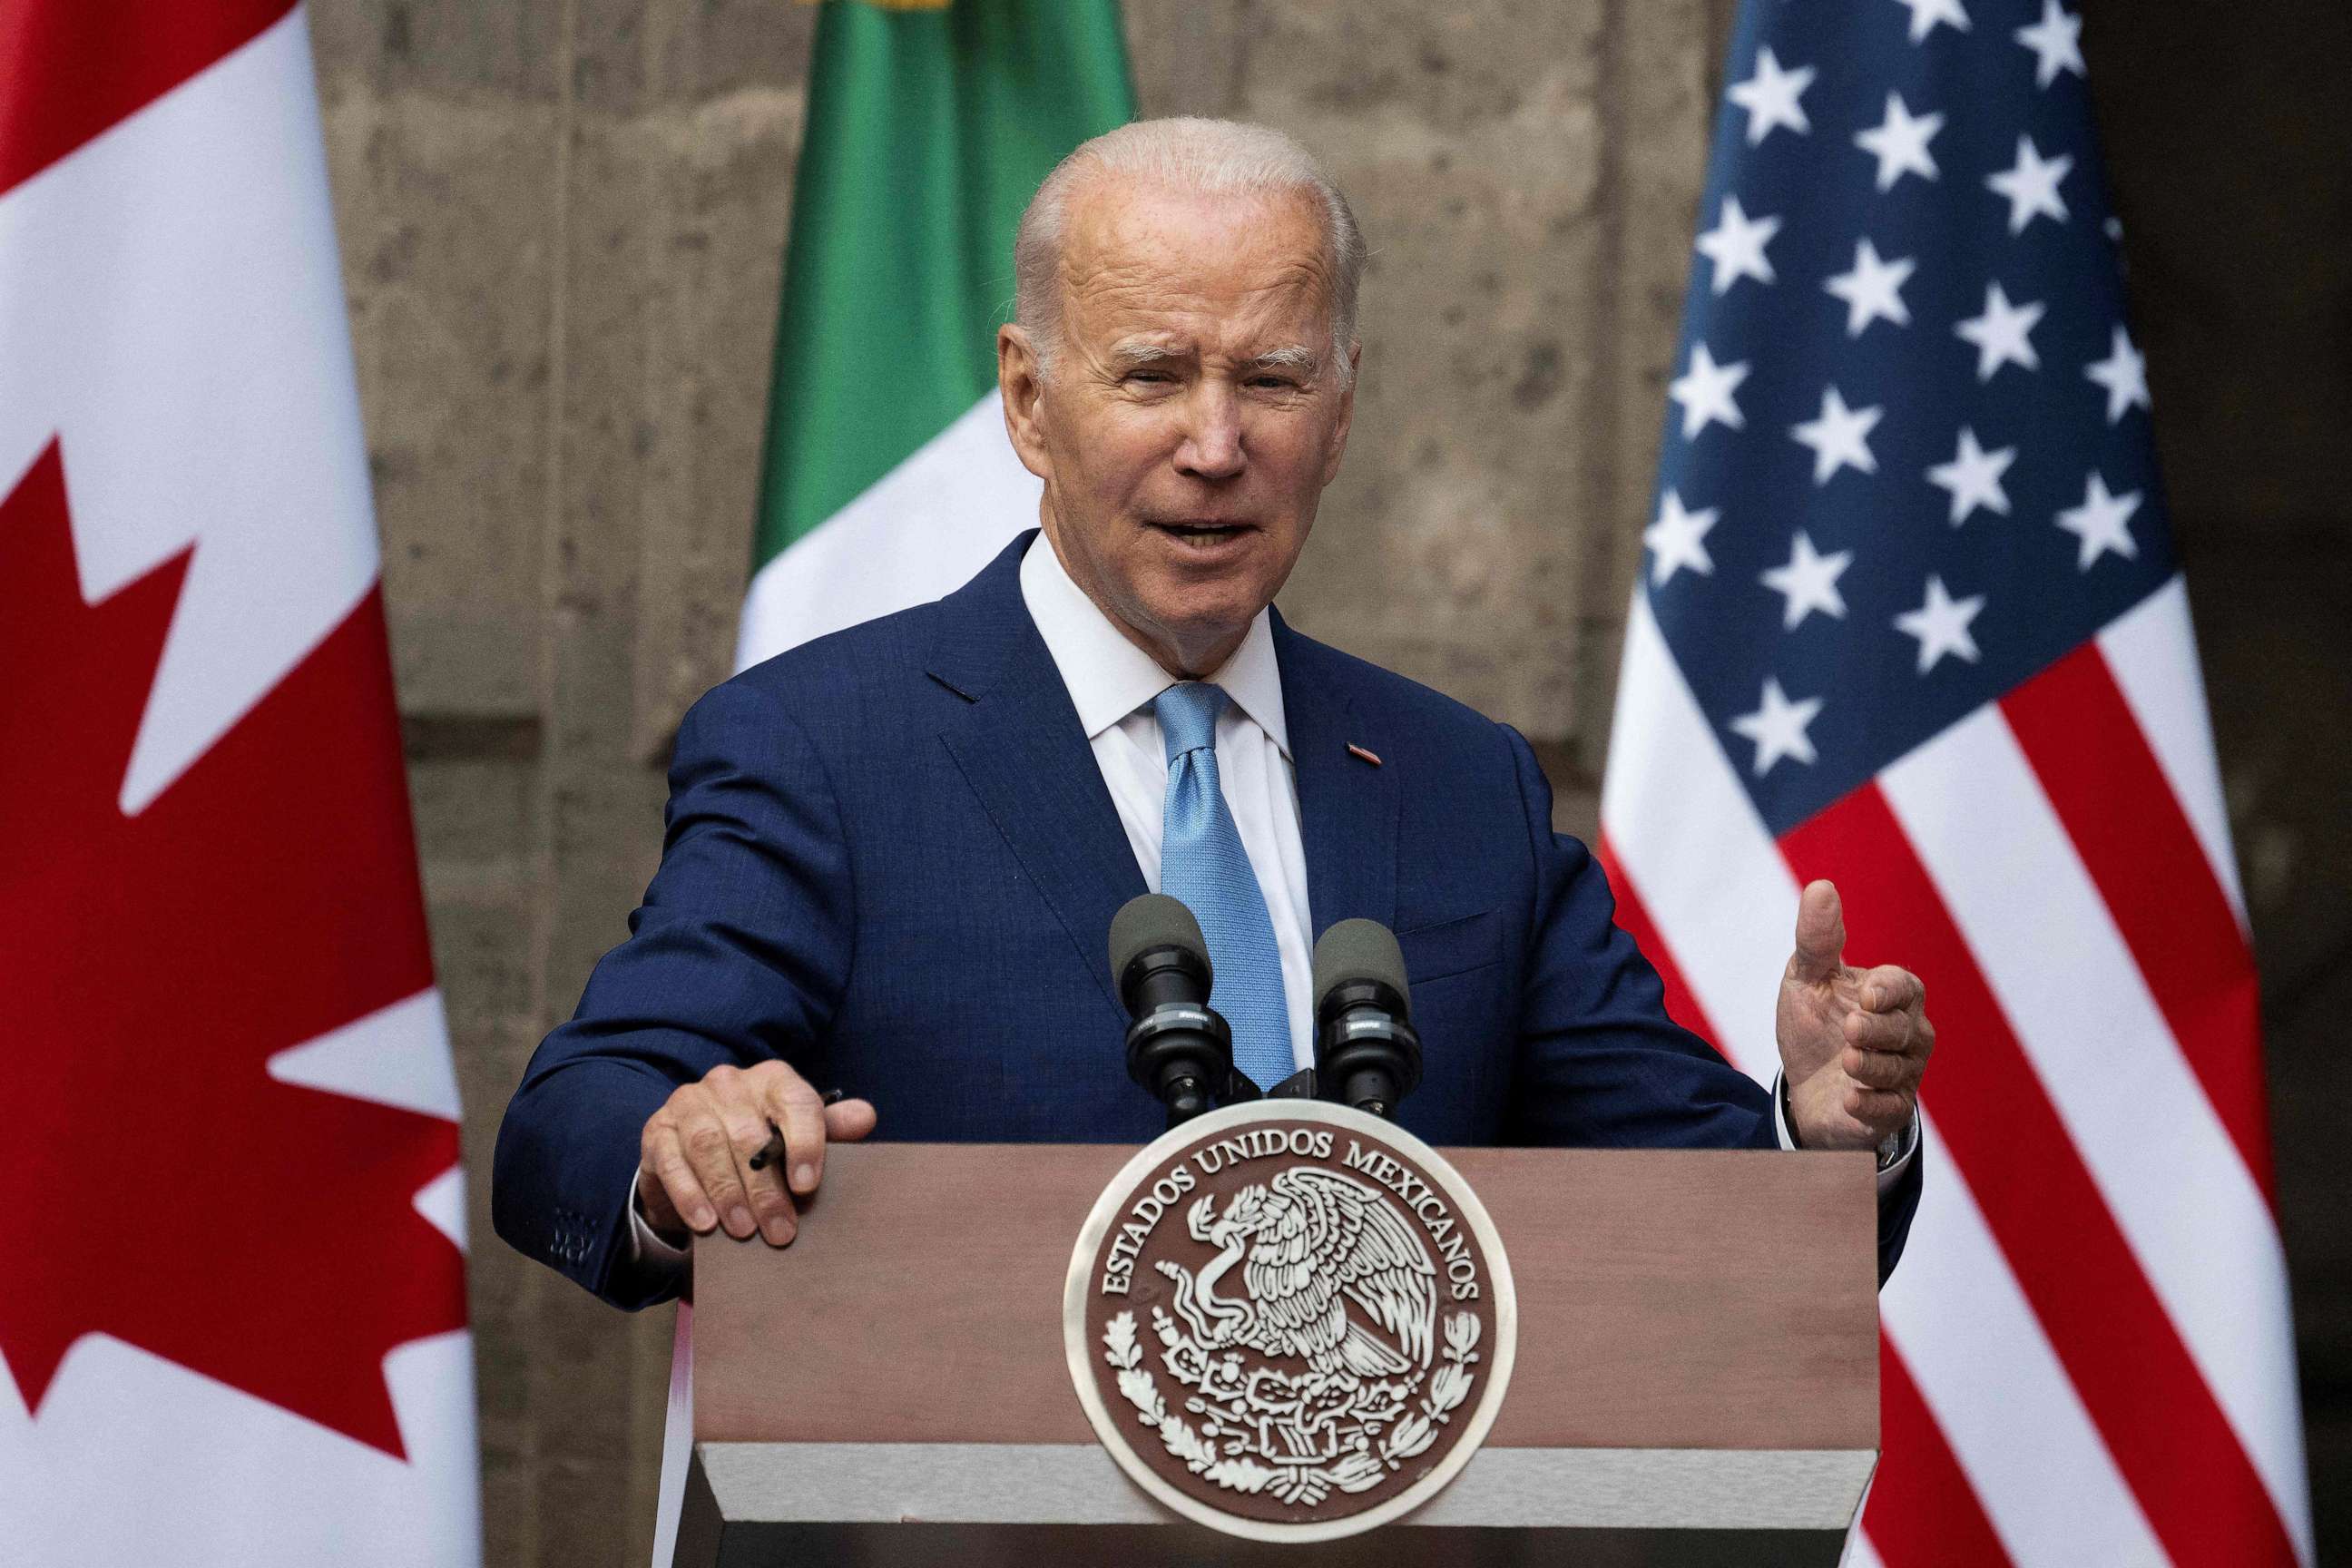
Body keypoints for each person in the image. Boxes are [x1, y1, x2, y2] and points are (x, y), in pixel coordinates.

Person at [492, 118, 1932, 1311]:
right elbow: (570, 1124)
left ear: (1345, 408)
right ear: (1027, 399)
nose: (1216, 446)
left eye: (1271, 379)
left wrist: (1821, 1127)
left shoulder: (1460, 784)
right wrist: (675, 1154)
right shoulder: (823, 747)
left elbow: (1702, 1210)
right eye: (1154, 375)